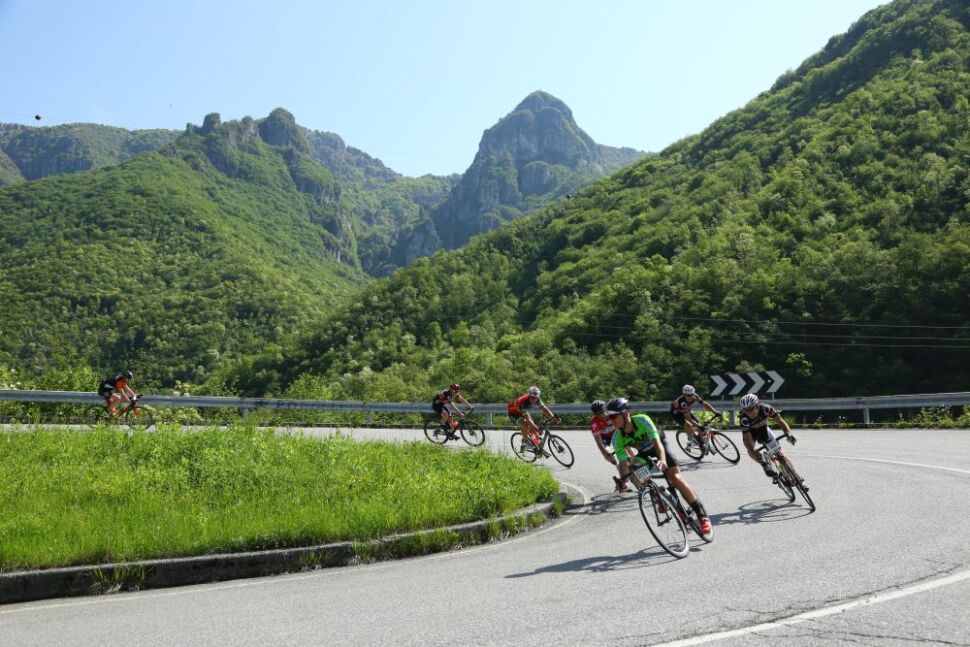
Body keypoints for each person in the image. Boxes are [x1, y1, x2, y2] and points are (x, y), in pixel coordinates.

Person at [608, 397, 713, 536]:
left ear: (625, 413)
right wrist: (624, 481)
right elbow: (622, 462)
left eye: (614, 416)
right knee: (633, 467)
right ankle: (658, 497)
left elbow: (657, 444)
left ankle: (702, 516)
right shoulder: (616, 438)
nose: (611, 420)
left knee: (675, 478)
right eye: (609, 417)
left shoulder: (642, 420)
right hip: (644, 454)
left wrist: (662, 460)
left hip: (660, 447)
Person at [738, 393, 808, 489]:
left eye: (751, 408)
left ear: (757, 405)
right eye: (746, 410)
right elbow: (748, 440)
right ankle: (765, 465)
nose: (749, 412)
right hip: (751, 433)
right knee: (751, 451)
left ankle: (797, 478)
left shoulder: (766, 409)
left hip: (763, 430)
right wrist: (754, 451)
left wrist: (789, 434)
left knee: (778, 452)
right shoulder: (744, 420)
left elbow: (780, 421)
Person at [590, 399, 629, 491]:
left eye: (602, 412)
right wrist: (606, 454)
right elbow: (599, 443)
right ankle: (623, 480)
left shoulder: (613, 415)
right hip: (605, 439)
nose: (601, 415)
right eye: (597, 414)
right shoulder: (594, 423)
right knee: (611, 456)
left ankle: (626, 476)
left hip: (617, 434)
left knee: (625, 454)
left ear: (606, 410)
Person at [670, 384, 721, 449]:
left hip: (686, 411)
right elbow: (689, 419)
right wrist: (699, 426)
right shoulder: (682, 402)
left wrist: (715, 412)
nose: (691, 396)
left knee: (701, 427)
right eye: (688, 395)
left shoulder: (695, 396)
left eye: (692, 394)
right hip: (677, 415)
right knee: (689, 425)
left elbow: (705, 404)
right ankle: (691, 440)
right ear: (684, 395)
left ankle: (701, 442)